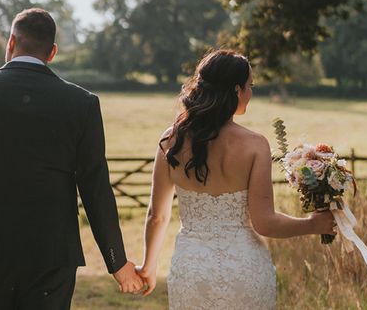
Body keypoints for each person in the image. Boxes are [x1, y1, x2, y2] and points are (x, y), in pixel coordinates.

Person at [0, 7, 143, 309]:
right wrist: (117, 261)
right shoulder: (81, 104)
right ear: (52, 52)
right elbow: (96, 189)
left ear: (11, 42)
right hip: (51, 254)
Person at [136, 49, 336, 309]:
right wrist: (313, 224)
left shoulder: (171, 140)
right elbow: (265, 223)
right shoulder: (255, 146)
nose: (251, 93)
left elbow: (157, 216)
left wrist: (149, 267)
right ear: (236, 90)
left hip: (192, 270)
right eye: (250, 86)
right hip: (245, 270)